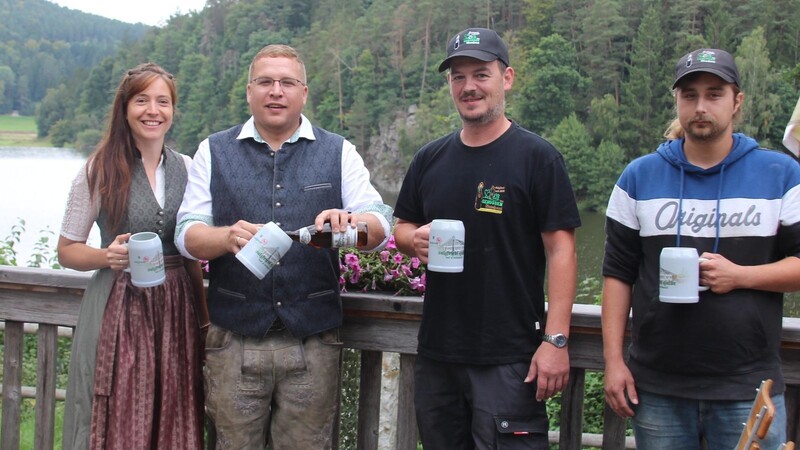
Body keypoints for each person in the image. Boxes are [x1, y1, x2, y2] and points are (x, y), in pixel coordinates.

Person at [174, 44, 392, 449]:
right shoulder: (213, 150)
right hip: (234, 341)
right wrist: (225, 237)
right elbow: (186, 234)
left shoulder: (338, 150)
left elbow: (379, 224)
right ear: (249, 92)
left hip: (314, 344)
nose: (276, 91)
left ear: (303, 93)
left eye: (287, 82)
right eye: (265, 82)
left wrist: (353, 223)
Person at [602, 48, 800, 450]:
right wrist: (613, 362)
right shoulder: (638, 177)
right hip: (656, 387)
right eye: (690, 95)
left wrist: (740, 276)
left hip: (750, 388)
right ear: (677, 101)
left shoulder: (781, 174)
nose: (701, 106)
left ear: (736, 100)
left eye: (714, 94)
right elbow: (617, 274)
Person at [393, 28, 581, 449]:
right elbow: (401, 225)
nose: (469, 86)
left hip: (510, 358)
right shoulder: (430, 158)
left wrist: (555, 340)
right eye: (458, 77)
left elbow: (562, 250)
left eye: (481, 74)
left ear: (506, 78)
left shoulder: (538, 157)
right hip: (438, 355)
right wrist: (412, 240)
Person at [59, 63, 207, 450]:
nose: (152, 110)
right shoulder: (98, 170)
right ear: (125, 108)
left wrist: (204, 319)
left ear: (173, 110)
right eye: (142, 100)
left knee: (175, 404)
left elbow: (191, 251)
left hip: (177, 309)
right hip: (118, 306)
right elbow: (67, 250)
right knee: (121, 407)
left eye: (162, 101)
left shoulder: (188, 168)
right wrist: (106, 256)